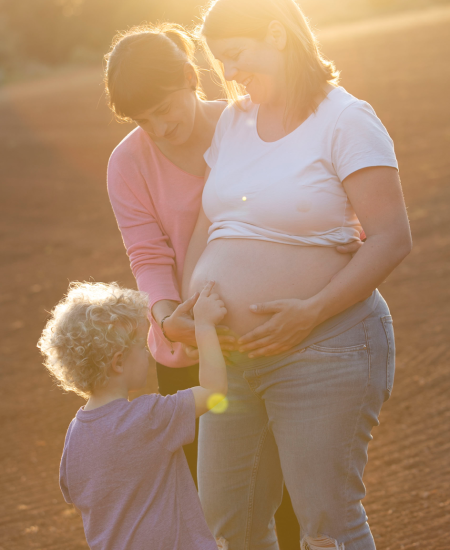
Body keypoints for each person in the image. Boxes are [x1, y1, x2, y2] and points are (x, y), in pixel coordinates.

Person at [105, 22, 362, 549]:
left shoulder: (246, 124)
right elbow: (147, 253)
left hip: (283, 340)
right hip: (195, 355)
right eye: (142, 119)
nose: (158, 127)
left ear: (188, 77)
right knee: (228, 508)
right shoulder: (128, 162)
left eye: (165, 108)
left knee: (298, 493)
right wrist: (168, 315)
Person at [180, 0, 413, 548]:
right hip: (231, 361)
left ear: (279, 35)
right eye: (222, 63)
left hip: (324, 349)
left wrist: (309, 311)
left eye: (236, 56)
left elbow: (391, 237)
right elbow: (209, 222)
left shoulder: (345, 118)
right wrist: (193, 302)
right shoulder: (235, 121)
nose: (230, 74)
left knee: (325, 522)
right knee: (226, 520)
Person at [37, 280, 230, 550]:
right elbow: (214, 390)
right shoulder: (148, 417)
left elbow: (77, 493)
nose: (147, 355)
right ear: (118, 362)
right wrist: (205, 326)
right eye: (141, 346)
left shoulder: (74, 435)